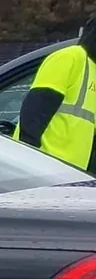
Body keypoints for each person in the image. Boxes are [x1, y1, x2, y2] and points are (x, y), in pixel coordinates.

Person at [15, 16, 96, 170]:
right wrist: (26, 162)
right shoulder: (71, 57)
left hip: (69, 175)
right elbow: (35, 111)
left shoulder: (93, 70)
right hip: (40, 167)